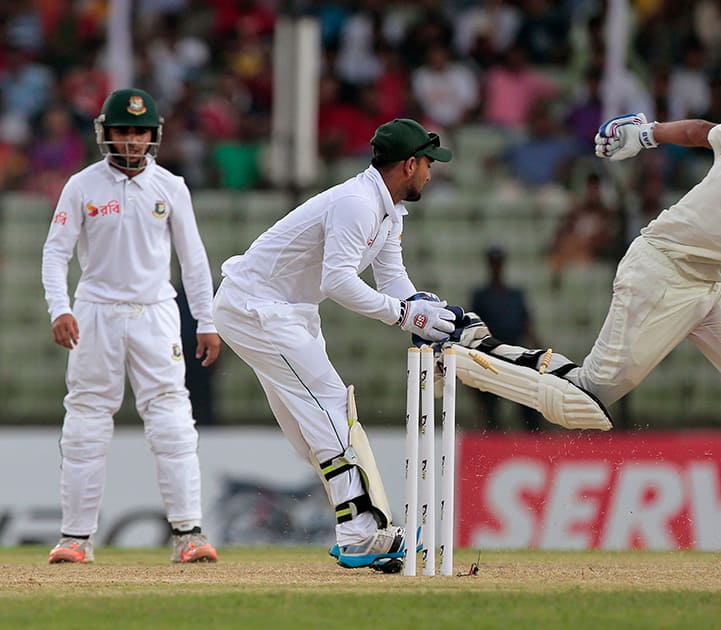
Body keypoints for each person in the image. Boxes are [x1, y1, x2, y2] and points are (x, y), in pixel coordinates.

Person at [456, 111, 721, 553]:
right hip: (662, 274)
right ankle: (471, 349)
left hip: (714, 280)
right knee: (582, 401)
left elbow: (700, 132)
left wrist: (645, 133)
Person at [212, 118, 458, 571]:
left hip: (289, 309)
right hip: (257, 305)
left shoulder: (387, 211)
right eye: (427, 164)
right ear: (408, 165)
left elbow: (392, 280)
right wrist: (405, 315)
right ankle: (359, 533)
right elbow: (339, 281)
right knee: (329, 407)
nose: (430, 172)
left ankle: (365, 530)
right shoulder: (356, 204)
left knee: (309, 432)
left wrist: (427, 310)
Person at [41, 88, 220, 564]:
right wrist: (60, 309)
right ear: (107, 134)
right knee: (85, 422)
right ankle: (75, 539)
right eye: (124, 131)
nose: (133, 140)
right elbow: (56, 252)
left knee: (172, 422)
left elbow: (194, 260)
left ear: (153, 135)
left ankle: (189, 534)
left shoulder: (171, 187)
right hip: (95, 312)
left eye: (140, 131)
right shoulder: (82, 186)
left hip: (154, 311)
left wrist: (206, 318)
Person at [470, 246, 542, 431]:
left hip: (514, 355)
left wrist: (538, 350)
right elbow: (474, 327)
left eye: (499, 263)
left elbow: (527, 325)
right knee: (489, 405)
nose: (496, 267)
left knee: (527, 399)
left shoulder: (515, 296)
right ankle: (491, 438)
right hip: (490, 356)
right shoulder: (481, 297)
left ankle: (533, 437)